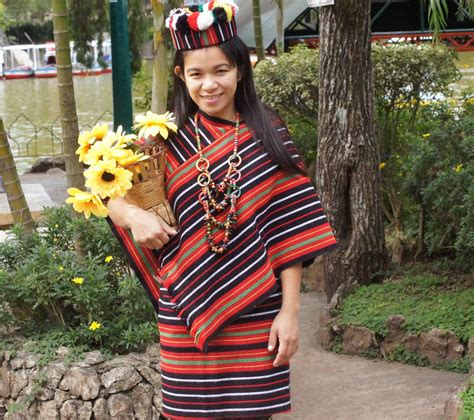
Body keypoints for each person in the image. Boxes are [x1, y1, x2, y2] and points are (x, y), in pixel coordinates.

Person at [107, 1, 338, 418]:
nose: (209, 85)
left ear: (241, 69)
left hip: (259, 311)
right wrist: (132, 215)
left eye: (220, 71)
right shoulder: (163, 141)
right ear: (181, 76)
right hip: (185, 312)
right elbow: (108, 193)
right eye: (196, 74)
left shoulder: (270, 134)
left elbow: (291, 233)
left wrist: (291, 313)